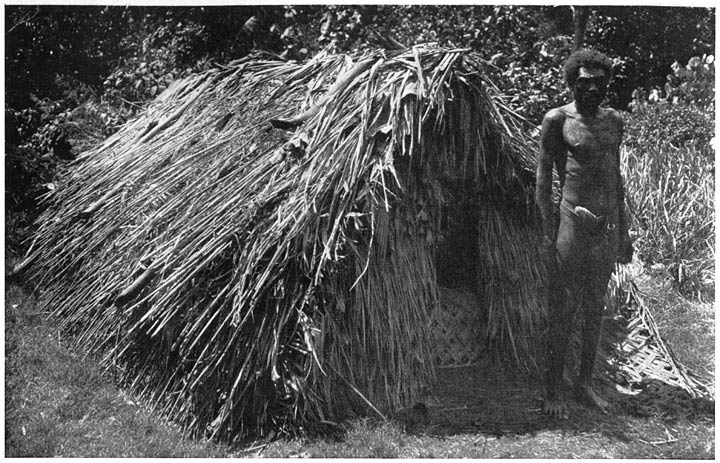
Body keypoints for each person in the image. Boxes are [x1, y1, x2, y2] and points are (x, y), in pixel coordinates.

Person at [535, 49, 633, 419]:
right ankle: (553, 388)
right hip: (572, 225)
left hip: (605, 228)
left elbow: (616, 179)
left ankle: (585, 383)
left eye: (599, 82)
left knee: (595, 307)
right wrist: (547, 233)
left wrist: (623, 231)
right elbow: (543, 181)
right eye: (583, 82)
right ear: (572, 83)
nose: (592, 88)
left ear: (607, 83)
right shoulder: (557, 119)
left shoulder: (614, 121)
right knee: (563, 308)